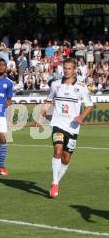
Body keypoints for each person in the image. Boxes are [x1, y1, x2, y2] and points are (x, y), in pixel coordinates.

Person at [36, 58, 93, 198]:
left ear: (74, 70)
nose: (67, 71)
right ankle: (54, 183)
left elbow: (90, 105)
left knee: (66, 159)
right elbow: (49, 100)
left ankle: (57, 180)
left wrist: (81, 117)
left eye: (69, 68)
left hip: (73, 127)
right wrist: (40, 117)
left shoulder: (81, 87)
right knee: (58, 149)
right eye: (65, 68)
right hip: (58, 124)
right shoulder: (55, 85)